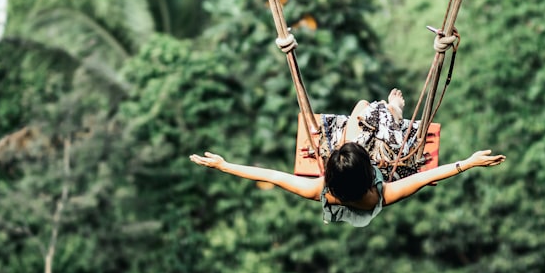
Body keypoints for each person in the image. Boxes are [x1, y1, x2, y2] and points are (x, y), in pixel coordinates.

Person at [189, 89, 505, 227]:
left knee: (360, 108)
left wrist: (225, 165)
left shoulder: (320, 190)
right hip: (384, 165)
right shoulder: (384, 192)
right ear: (370, 172)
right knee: (366, 107)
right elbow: (426, 176)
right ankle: (392, 114)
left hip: (354, 167)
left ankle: (384, 117)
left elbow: (270, 175)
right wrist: (468, 162)